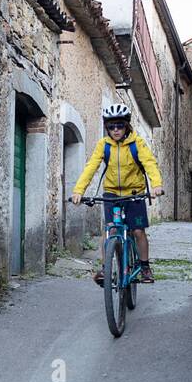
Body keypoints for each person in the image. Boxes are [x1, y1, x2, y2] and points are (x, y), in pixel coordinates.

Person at [70, 104, 165, 284]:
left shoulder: (137, 143)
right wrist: (78, 191)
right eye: (111, 126)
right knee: (110, 230)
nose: (115, 130)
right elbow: (91, 167)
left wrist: (156, 185)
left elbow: (150, 164)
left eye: (119, 125)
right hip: (111, 194)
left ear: (126, 125)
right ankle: (106, 269)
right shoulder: (103, 145)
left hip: (134, 194)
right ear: (107, 128)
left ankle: (144, 266)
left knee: (137, 231)